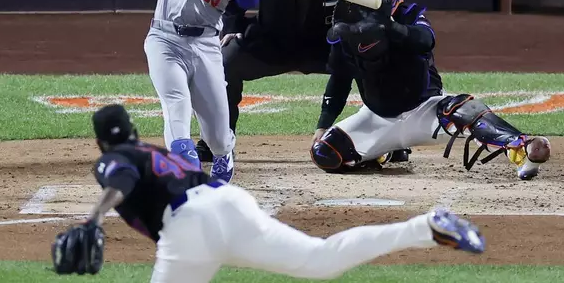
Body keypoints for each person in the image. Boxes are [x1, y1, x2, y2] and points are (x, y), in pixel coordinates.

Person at [50, 104, 485, 282]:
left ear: (101, 142)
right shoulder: (153, 151)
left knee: (317, 261)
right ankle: (425, 227)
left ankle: (425, 228)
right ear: (133, 130)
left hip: (188, 228)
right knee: (319, 259)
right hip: (228, 200)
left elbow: (118, 180)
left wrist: (92, 218)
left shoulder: (115, 158)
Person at [197, 0, 411, 164]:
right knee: (225, 63)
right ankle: (216, 142)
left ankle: (392, 139)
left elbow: (375, 10)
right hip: (271, 44)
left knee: (375, 62)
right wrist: (232, 29)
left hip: (326, 49)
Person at [310, 0, 552, 179]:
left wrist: (388, 26)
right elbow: (340, 79)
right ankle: (386, 151)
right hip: (376, 117)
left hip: (425, 111)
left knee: (463, 107)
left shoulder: (409, 14)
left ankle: (521, 147)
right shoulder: (344, 31)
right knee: (325, 154)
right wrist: (323, 124)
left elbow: (425, 40)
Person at [144, 0, 268, 183]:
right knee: (176, 102)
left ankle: (225, 152)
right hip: (164, 39)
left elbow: (249, 1)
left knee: (217, 137)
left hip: (205, 45)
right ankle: (185, 164)